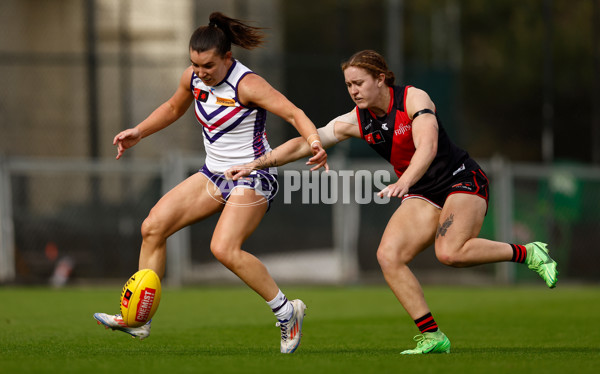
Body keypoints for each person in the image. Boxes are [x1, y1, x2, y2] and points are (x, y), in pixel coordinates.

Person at [226, 49, 558, 354]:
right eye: (348, 85)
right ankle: (432, 336)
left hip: (460, 180)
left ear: (381, 78)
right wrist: (258, 162)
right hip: (421, 192)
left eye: (359, 83)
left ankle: (529, 252)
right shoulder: (359, 119)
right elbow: (306, 143)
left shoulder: (413, 99)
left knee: (450, 252)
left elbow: (426, 148)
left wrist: (404, 181)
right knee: (388, 256)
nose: (353, 91)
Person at [93, 12, 328, 354]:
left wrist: (315, 142)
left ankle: (287, 312)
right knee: (152, 227)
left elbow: (293, 113)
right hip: (213, 175)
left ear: (227, 58)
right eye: (195, 65)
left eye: (208, 66)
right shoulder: (193, 77)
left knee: (223, 248)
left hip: (253, 174)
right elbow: (174, 107)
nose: (200, 73)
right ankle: (140, 320)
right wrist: (139, 132)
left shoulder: (248, 84)